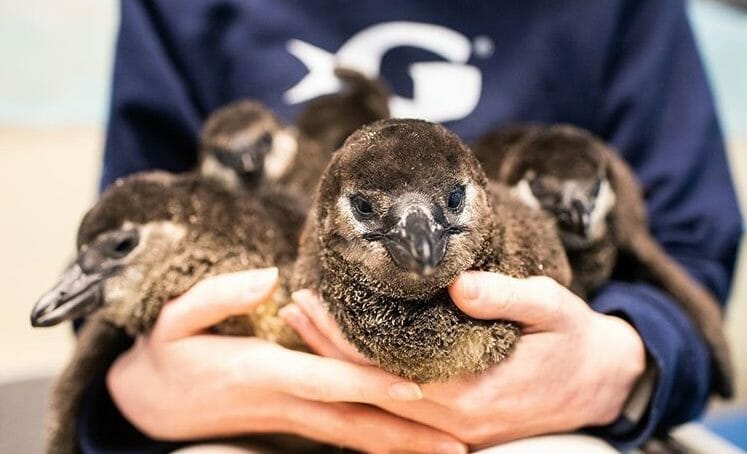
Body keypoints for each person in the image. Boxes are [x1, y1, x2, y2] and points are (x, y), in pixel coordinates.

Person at [78, 1, 742, 453]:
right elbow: (117, 248)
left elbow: (684, 242)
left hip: (553, 412)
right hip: (252, 413)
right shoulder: (181, 10)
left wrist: (623, 361)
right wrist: (137, 396)